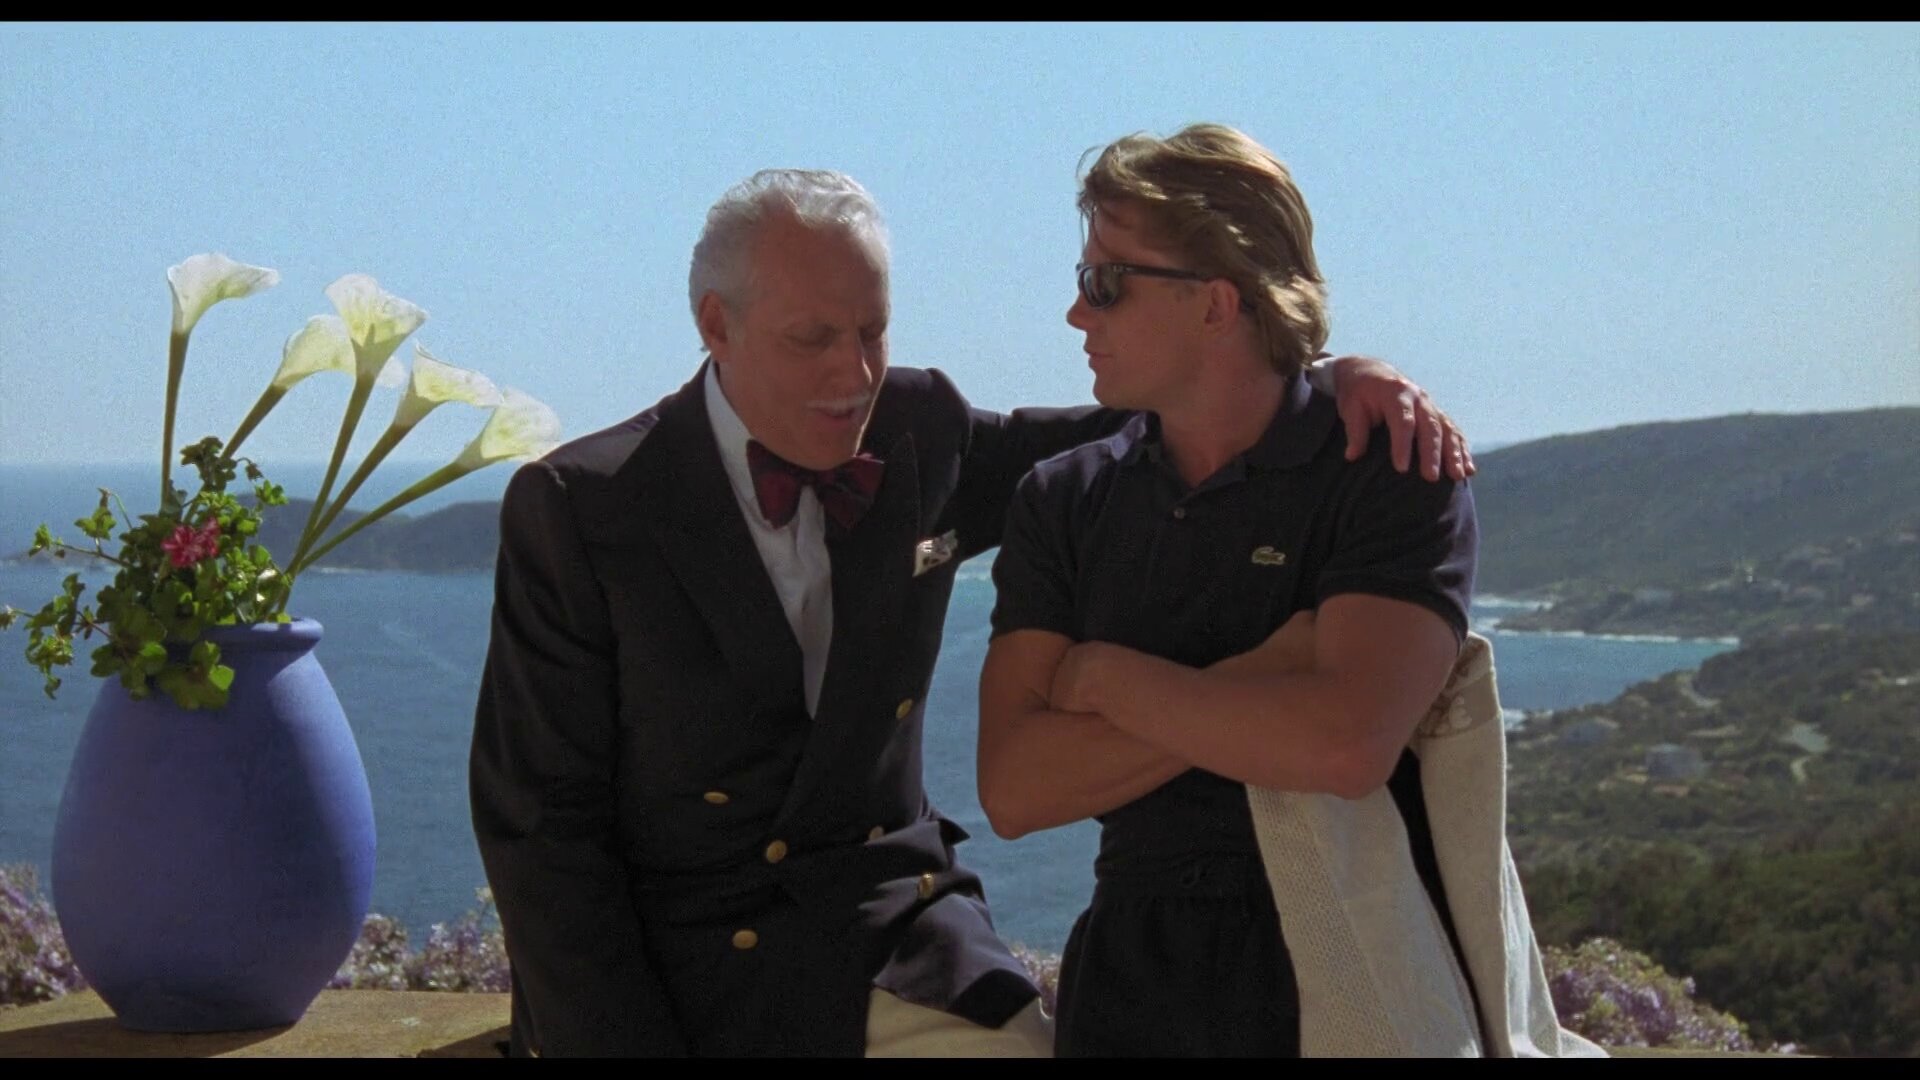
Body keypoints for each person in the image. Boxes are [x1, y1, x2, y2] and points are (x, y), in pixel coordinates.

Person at [470, 166, 1471, 1057]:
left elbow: (1192, 402)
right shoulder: (585, 508)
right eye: (812, 339)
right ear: (715, 325)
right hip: (683, 963)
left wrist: (1326, 373)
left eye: (872, 332)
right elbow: (540, 832)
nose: (853, 376)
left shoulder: (922, 429)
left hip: (889, 934)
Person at [979, 124, 1596, 1056]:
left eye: (1105, 282)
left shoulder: (1388, 469)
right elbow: (1015, 789)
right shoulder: (1065, 499)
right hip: (1133, 991)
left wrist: (1106, 679)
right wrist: (1265, 675)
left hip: (1354, 971)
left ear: (1216, 302)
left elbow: (1346, 746)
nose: (1076, 313)